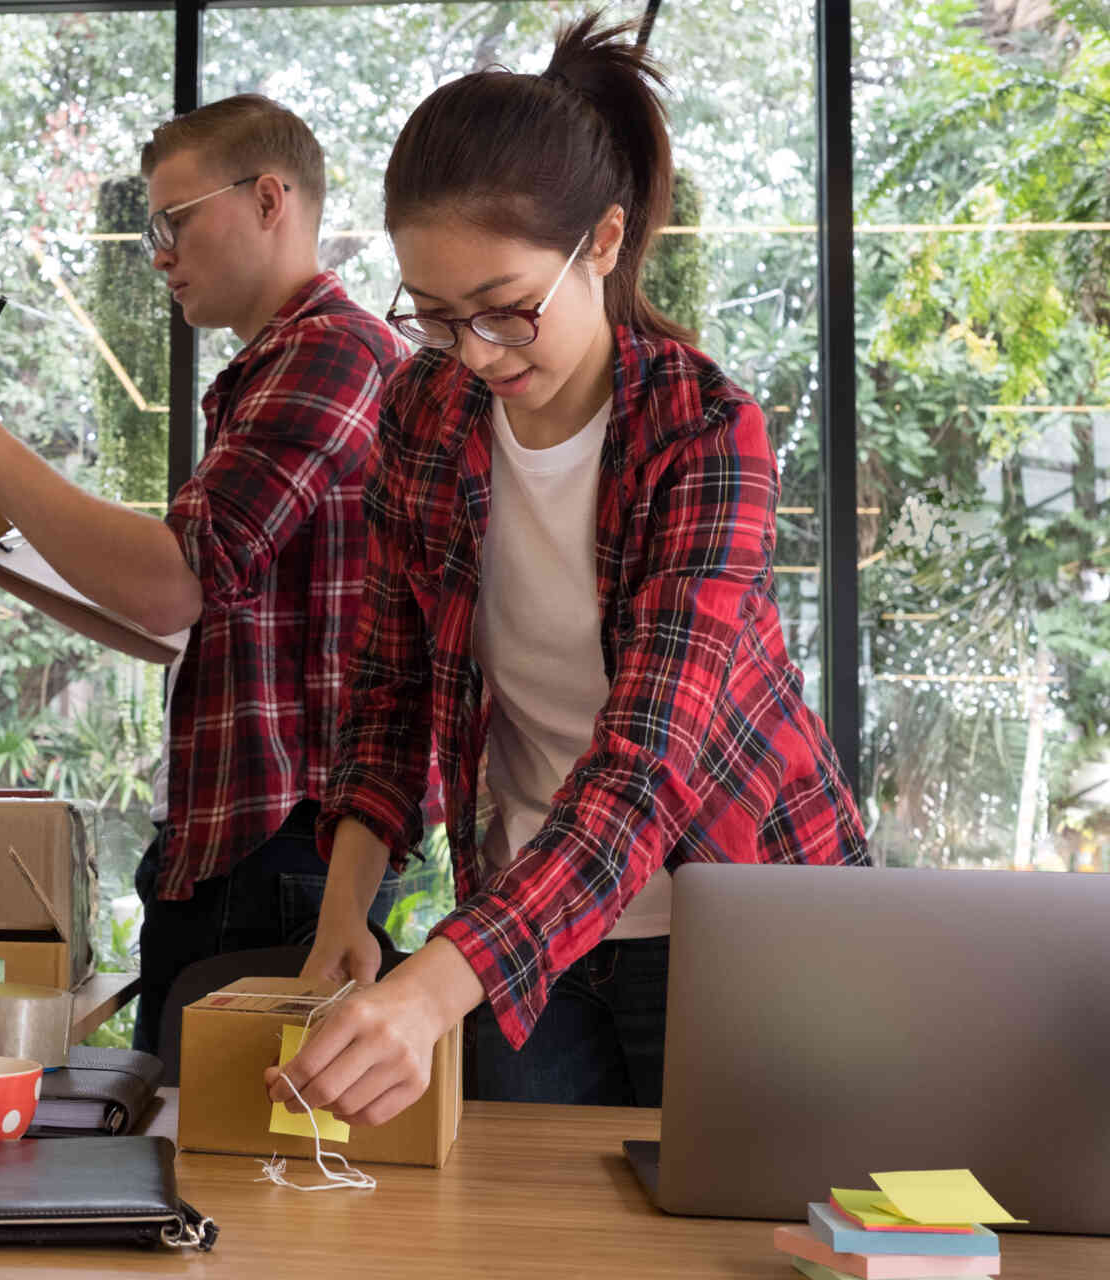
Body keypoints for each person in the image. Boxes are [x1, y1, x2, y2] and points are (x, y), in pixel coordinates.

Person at [270, 14, 868, 1123]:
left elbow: (647, 766)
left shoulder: (702, 432)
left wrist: (432, 986)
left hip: (738, 914)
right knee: (518, 1209)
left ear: (602, 241)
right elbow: (391, 686)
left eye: (508, 310)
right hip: (521, 926)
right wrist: (346, 904)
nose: (477, 353)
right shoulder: (424, 411)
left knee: (735, 1204)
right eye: (438, 317)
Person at [0, 95, 406, 1057]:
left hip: (284, 852)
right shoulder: (273, 368)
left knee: (216, 1135)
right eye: (149, 231)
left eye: (174, 222)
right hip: (247, 848)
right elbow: (172, 624)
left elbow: (172, 584)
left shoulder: (332, 351)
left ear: (268, 200)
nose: (159, 255)